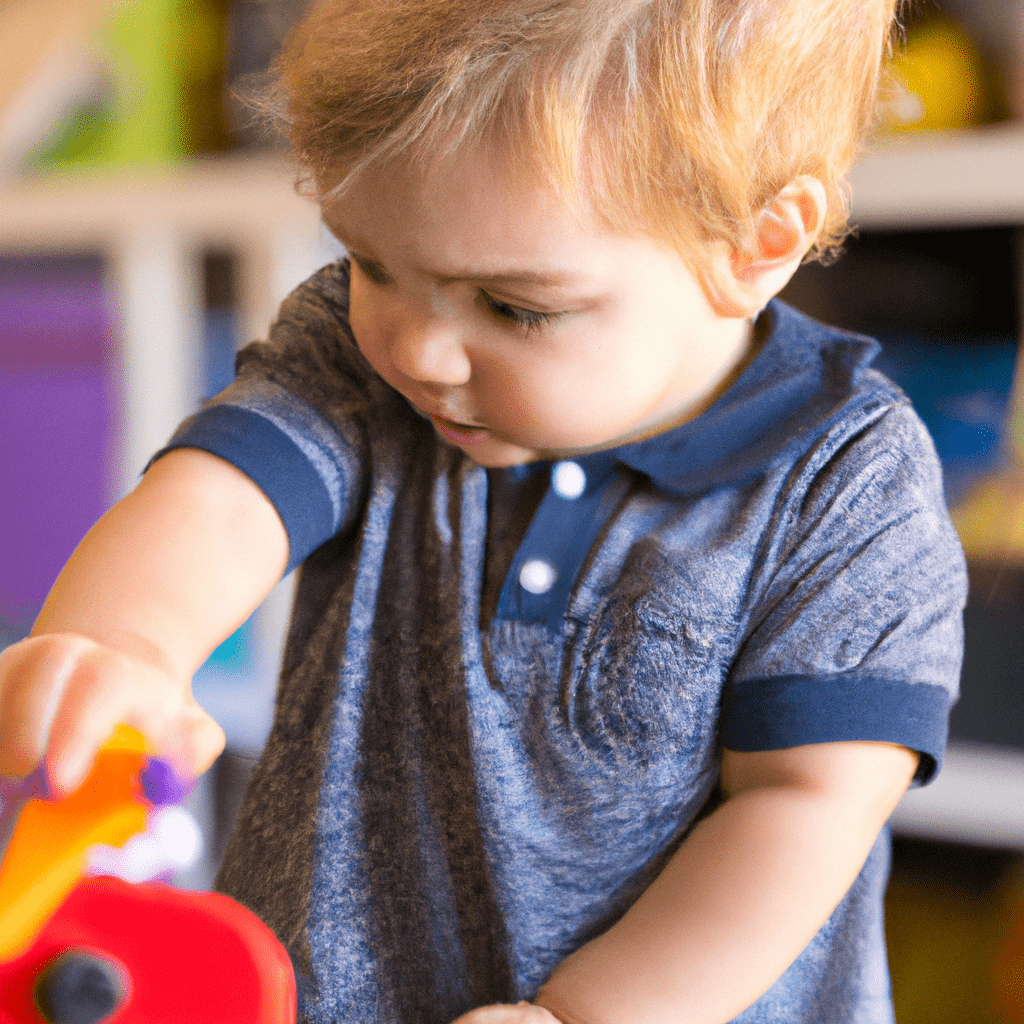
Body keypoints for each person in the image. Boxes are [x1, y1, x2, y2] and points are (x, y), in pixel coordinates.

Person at [0, 0, 966, 1021]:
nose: (417, 347)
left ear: (754, 243)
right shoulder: (354, 360)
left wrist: (580, 1014)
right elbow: (220, 499)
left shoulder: (844, 477)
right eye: (373, 262)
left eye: (514, 307)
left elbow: (804, 804)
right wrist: (124, 647)